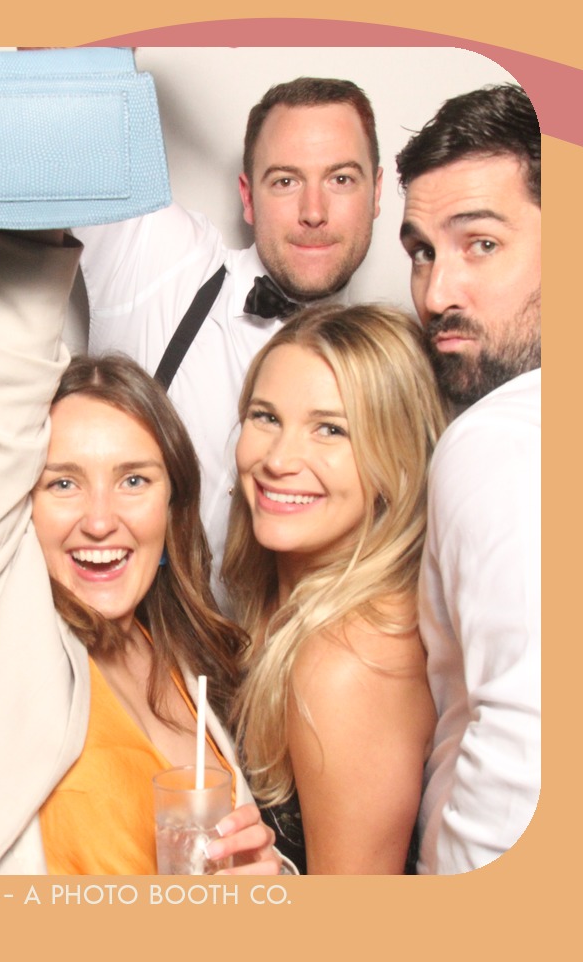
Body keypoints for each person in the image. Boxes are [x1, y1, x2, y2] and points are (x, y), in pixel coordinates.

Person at [0, 228, 284, 875]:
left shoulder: (185, 661)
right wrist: (38, 205)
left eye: (134, 480)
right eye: (63, 483)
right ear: (18, 500)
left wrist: (271, 877)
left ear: (172, 504)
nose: (101, 521)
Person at [74, 77, 383, 592]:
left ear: (376, 192)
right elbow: (63, 94)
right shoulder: (163, 260)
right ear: (248, 197)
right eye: (285, 181)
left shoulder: (396, 365)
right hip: (126, 633)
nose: (314, 211)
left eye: (341, 179)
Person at [222, 303, 447, 873]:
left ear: (397, 460)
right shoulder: (288, 610)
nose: (278, 460)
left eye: (331, 429)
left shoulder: (346, 662)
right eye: (266, 417)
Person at [396, 83, 541, 874]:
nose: (436, 294)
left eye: (480, 243)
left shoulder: (498, 437)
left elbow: (526, 754)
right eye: (423, 252)